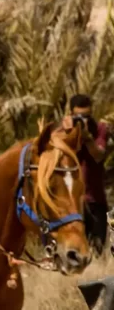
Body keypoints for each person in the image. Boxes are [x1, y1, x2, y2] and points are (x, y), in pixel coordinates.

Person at [63, 94, 108, 255]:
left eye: (86, 116)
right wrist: (69, 134)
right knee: (75, 251)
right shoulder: (64, 131)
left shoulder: (100, 129)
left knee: (97, 250)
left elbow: (98, 156)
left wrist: (88, 138)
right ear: (71, 114)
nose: (83, 121)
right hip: (72, 203)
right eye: (79, 117)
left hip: (95, 200)